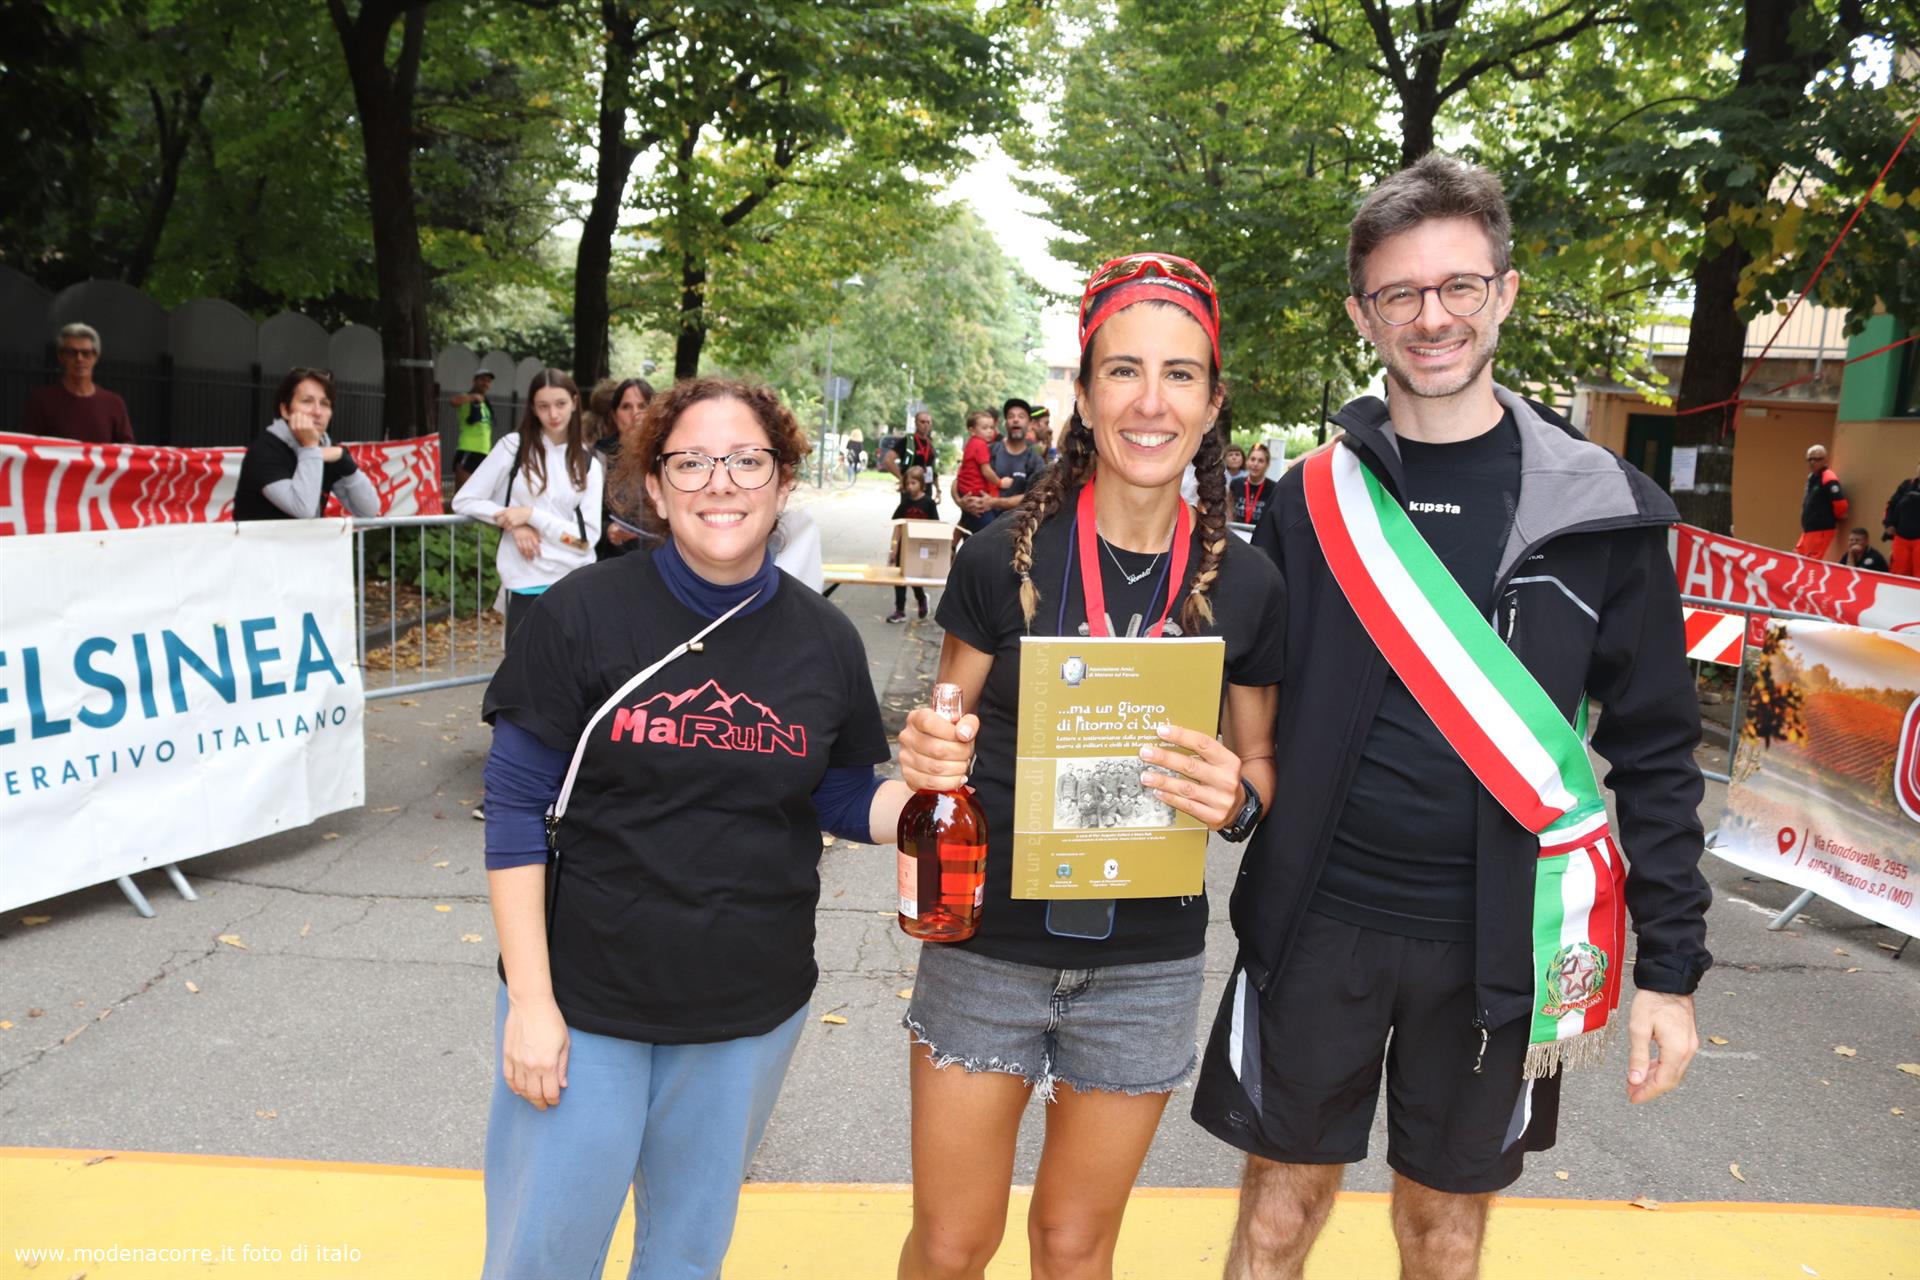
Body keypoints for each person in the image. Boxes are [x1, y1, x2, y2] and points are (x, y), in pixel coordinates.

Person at [1192, 152, 1710, 1280]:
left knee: (1445, 1238)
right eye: (1400, 293)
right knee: (1273, 1225)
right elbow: (1238, 698)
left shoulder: (1601, 511)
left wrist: (1670, 970)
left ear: (1504, 292)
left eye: (1460, 286)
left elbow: (1659, 752)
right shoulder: (1307, 502)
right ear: (1362, 314)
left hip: (1502, 943)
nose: (1432, 317)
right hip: (1318, 920)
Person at [893, 252, 1285, 1280]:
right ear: (1084, 393)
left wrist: (1238, 800)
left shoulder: (1248, 583)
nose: (1151, 401)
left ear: (1213, 402)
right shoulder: (1002, 559)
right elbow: (941, 734)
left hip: (1146, 963)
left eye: (1180, 373)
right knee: (952, 1244)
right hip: (988, 945)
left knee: (1075, 1248)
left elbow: (1261, 764)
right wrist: (928, 751)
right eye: (1123, 371)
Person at [476, 377, 917, 1278]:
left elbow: (841, 798)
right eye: (692, 462)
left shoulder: (825, 640)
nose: (721, 482)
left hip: (745, 1012)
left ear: (783, 481)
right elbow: (516, 810)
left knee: (685, 1257)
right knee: (543, 1257)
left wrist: (946, 802)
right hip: (583, 1001)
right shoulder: (581, 613)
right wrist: (531, 1003)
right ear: (656, 483)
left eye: (746, 460)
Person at [453, 368, 604, 651]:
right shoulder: (513, 448)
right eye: (543, 406)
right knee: (520, 670)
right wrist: (514, 523)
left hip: (574, 583)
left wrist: (532, 516)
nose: (553, 414)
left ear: (574, 402)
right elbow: (465, 500)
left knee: (567, 673)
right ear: (533, 408)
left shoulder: (588, 463)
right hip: (525, 580)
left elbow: (585, 540)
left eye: (560, 404)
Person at [232, 368, 381, 521]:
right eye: (307, 401)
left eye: (325, 404)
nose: (317, 412)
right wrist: (310, 448)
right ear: (285, 410)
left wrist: (345, 461)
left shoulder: (327, 447)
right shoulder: (265, 449)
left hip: (307, 538)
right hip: (261, 537)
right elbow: (303, 510)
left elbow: (369, 510)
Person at [22, 323, 133, 444]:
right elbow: (28, 446)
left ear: (96, 357)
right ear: (61, 356)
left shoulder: (114, 404)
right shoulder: (41, 401)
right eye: (72, 353)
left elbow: (126, 449)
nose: (79, 359)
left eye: (86, 353)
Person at [593, 377, 653, 559]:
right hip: (612, 559)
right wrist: (607, 530)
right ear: (614, 415)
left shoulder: (665, 454)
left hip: (658, 557)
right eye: (626, 407)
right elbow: (580, 514)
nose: (635, 414)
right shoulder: (598, 457)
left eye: (642, 406)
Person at [887, 464, 940, 623]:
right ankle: (900, 610)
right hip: (905, 546)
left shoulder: (929, 503)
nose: (910, 487)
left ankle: (922, 599)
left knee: (914, 577)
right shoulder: (905, 503)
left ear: (922, 484)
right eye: (908, 483)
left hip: (920, 547)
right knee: (900, 578)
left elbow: (935, 526)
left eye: (914, 483)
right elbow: (898, 525)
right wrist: (894, 547)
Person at [952, 409, 1004, 537]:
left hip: (965, 491)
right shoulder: (981, 445)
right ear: (972, 430)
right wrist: (1000, 483)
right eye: (985, 428)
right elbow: (986, 470)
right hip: (975, 494)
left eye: (991, 427)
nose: (990, 431)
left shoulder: (970, 443)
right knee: (987, 531)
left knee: (970, 527)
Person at [1797, 444, 1848, 560]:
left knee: (1811, 562)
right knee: (1799, 559)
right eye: (1810, 459)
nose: (1812, 462)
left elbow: (1840, 504)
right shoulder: (1812, 478)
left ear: (1825, 460)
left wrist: (1836, 516)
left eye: (1817, 459)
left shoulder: (1829, 478)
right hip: (1809, 529)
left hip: (1820, 529)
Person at [452, 369, 498, 489]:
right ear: (475, 381)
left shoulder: (485, 404)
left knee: (477, 493)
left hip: (484, 453)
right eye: (482, 380)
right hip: (469, 450)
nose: (485, 383)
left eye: (488, 381)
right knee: (462, 493)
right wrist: (472, 397)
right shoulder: (468, 398)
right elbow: (454, 401)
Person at [1884, 462, 1920, 577]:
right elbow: (1892, 504)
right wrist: (1889, 524)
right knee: (1899, 574)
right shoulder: (1906, 485)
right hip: (1901, 537)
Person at [1228, 443, 1274, 526]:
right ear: (1247, 461)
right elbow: (1229, 510)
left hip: (1259, 533)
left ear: (1267, 465)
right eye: (1252, 459)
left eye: (1261, 461)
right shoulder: (1236, 484)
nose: (1255, 464)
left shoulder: (1273, 488)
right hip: (1237, 531)